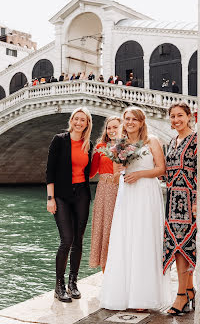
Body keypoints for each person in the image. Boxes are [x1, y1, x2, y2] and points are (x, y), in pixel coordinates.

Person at [100, 106, 171, 310]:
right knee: (125, 238)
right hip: (127, 193)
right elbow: (115, 174)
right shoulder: (119, 145)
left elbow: (161, 169)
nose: (130, 122)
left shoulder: (152, 141)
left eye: (134, 119)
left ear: (141, 122)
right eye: (127, 118)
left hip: (147, 192)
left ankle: (143, 297)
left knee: (144, 239)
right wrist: (121, 171)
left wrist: (139, 174)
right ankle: (123, 294)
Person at [46, 107, 93, 303]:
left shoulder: (88, 144)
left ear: (87, 124)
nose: (79, 122)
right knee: (66, 239)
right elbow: (50, 170)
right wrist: (50, 198)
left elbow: (90, 170)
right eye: (76, 118)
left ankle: (73, 282)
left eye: (83, 120)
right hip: (62, 196)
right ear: (71, 120)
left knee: (78, 240)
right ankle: (59, 285)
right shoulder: (59, 140)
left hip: (81, 194)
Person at [163, 103, 197, 315]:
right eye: (173, 116)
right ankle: (189, 289)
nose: (176, 120)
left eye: (180, 116)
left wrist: (197, 201)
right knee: (178, 246)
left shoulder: (197, 140)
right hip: (172, 200)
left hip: (189, 200)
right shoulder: (171, 141)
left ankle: (181, 295)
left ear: (189, 117)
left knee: (185, 247)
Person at [89, 116, 121, 273]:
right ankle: (105, 269)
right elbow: (91, 172)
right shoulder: (100, 146)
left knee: (119, 228)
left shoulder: (128, 147)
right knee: (105, 227)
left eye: (115, 127)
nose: (112, 130)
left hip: (123, 189)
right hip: (104, 191)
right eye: (109, 128)